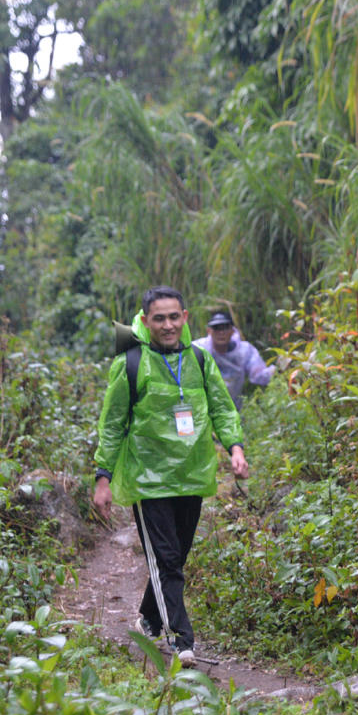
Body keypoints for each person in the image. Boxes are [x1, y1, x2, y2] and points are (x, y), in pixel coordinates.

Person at [93, 286, 250, 667]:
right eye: (159, 318)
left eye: (174, 317)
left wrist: (235, 447)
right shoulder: (130, 362)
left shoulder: (198, 358)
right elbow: (113, 424)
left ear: (185, 317)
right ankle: (182, 640)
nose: (167, 325)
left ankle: (148, 614)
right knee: (167, 560)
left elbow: (221, 406)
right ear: (145, 321)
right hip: (148, 481)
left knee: (176, 555)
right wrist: (103, 477)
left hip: (191, 475)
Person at [192, 310, 275, 409]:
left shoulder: (244, 351)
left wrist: (279, 370)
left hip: (234, 410)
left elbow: (260, 375)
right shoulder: (198, 348)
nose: (221, 333)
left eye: (225, 328)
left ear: (232, 330)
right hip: (203, 409)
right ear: (209, 331)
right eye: (216, 328)